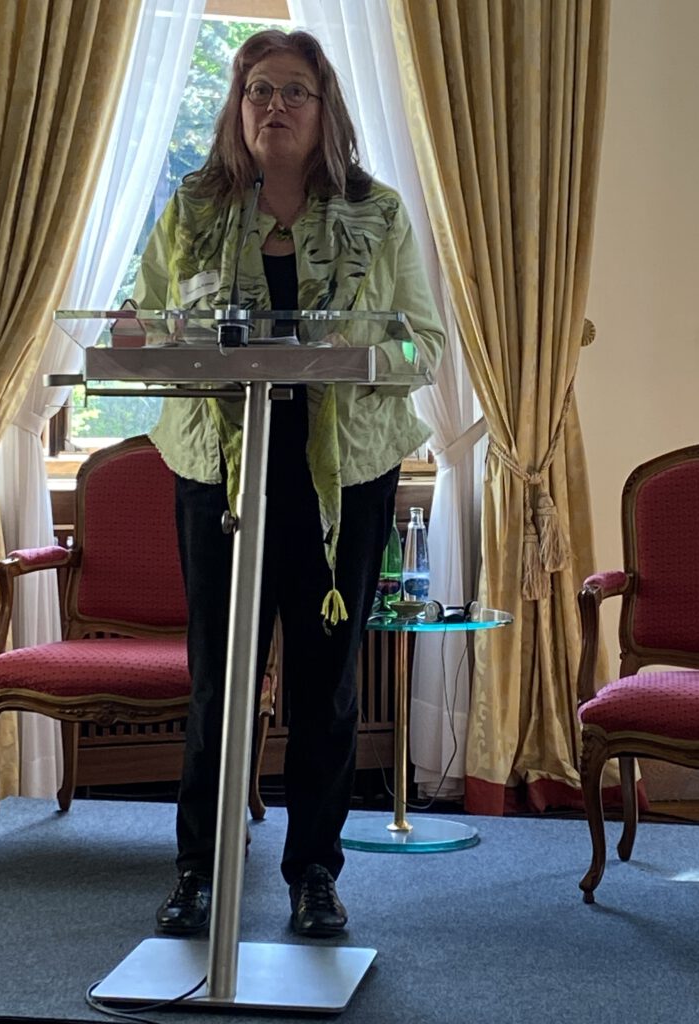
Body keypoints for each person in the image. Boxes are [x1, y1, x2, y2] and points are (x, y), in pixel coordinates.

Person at [132, 28, 445, 938]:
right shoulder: (195, 206)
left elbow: (425, 347)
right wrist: (138, 332)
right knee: (216, 682)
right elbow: (148, 324)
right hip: (221, 470)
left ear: (325, 108)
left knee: (325, 684)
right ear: (238, 107)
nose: (274, 105)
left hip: (342, 474)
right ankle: (198, 871)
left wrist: (358, 350)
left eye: (294, 90)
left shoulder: (377, 211)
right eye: (258, 88)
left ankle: (313, 873)